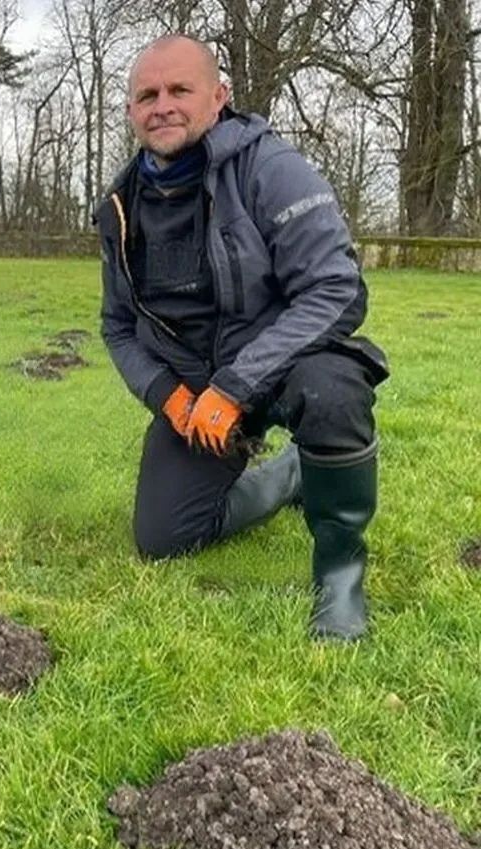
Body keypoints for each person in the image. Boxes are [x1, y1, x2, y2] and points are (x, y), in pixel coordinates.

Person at [93, 34, 389, 641]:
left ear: (219, 96)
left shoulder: (270, 168)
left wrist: (236, 386)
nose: (163, 105)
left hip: (283, 364)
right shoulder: (119, 207)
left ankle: (339, 575)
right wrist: (169, 398)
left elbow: (336, 289)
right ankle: (288, 477)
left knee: (332, 391)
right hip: (197, 391)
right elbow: (117, 325)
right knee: (163, 538)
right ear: (131, 112)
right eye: (147, 95)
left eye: (180, 89)